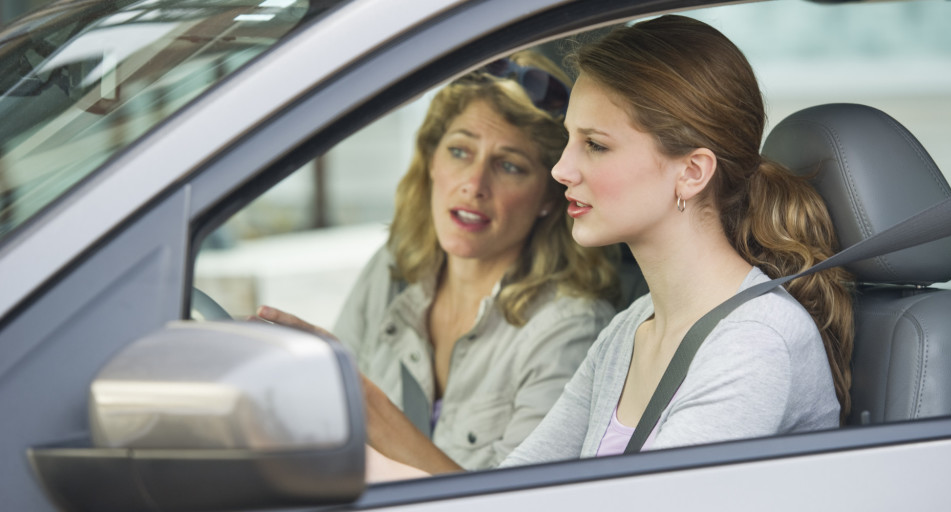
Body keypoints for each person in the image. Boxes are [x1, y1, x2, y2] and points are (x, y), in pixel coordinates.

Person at [497, 15, 855, 465]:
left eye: (596, 145)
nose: (561, 170)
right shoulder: (630, 329)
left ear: (691, 173)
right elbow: (518, 484)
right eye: (570, 139)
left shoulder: (755, 343)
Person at [258, 50, 620, 473]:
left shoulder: (569, 329)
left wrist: (371, 408)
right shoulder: (395, 269)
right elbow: (327, 423)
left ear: (547, 196)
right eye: (460, 152)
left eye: (509, 166)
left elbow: (511, 505)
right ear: (432, 161)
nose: (474, 184)